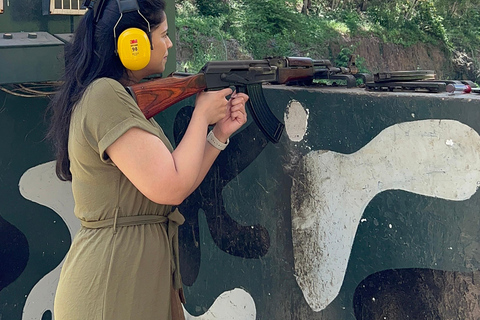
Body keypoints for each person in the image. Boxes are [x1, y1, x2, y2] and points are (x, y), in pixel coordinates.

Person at [46, 0, 248, 318]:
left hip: (135, 279)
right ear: (132, 43)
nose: (169, 43)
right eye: (163, 35)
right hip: (112, 286)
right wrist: (200, 116)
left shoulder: (119, 98)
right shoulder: (104, 95)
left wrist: (217, 134)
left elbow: (177, 180)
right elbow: (170, 187)